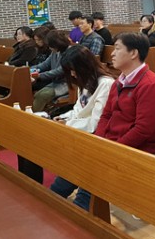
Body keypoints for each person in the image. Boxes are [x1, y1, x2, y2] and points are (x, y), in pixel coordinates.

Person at [73, 32, 155, 211]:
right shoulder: (119, 81)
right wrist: (99, 141)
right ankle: (56, 204)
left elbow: (142, 130)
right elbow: (106, 115)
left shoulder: (151, 85)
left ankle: (77, 211)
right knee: (74, 159)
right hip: (113, 143)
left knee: (91, 168)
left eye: (117, 49)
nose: (112, 54)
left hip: (137, 149)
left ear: (133, 53)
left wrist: (112, 149)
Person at [48, 45, 115, 198]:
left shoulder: (106, 84)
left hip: (94, 137)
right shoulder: (86, 81)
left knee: (71, 175)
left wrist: (68, 124)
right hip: (80, 133)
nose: (72, 74)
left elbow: (96, 122)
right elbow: (79, 110)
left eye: (74, 70)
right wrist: (64, 118)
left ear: (85, 66)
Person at [31, 30, 70, 112]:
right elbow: (44, 65)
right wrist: (29, 69)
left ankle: (34, 116)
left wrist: (39, 75)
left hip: (67, 84)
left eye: (50, 45)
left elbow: (59, 71)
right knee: (38, 94)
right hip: (56, 82)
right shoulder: (54, 52)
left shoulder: (69, 52)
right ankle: (40, 114)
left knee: (42, 95)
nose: (49, 47)